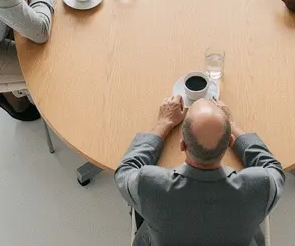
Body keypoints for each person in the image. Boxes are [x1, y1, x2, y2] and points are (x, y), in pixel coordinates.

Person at [115, 96, 285, 246]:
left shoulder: (150, 185)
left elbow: (125, 170)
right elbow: (272, 167)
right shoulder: (260, 186)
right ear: (229, 142)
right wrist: (232, 125)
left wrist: (163, 123)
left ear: (182, 145)